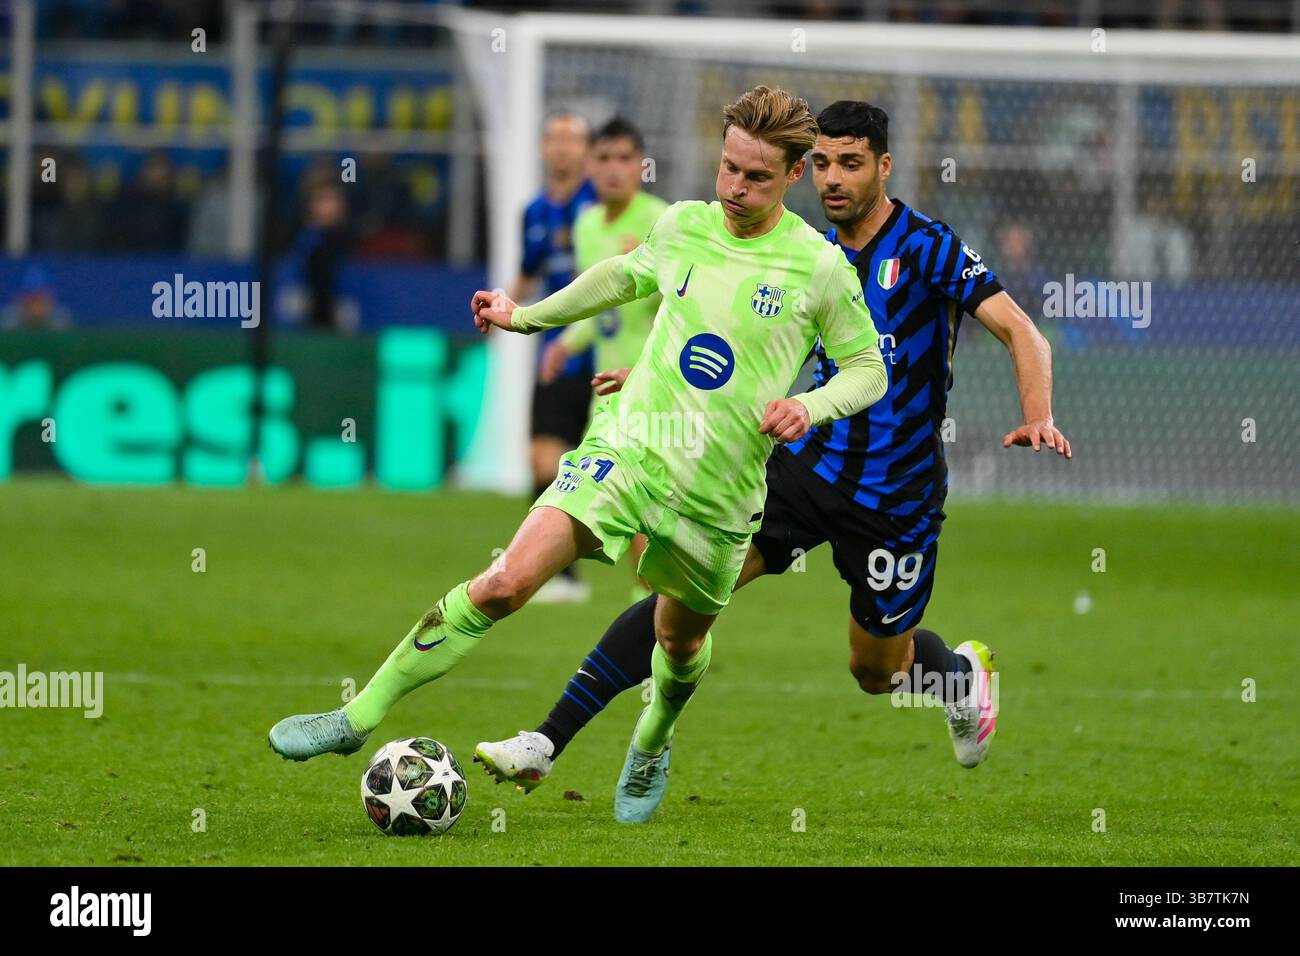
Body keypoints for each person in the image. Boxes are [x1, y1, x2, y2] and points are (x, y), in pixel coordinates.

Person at [266, 90, 889, 823]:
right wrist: (525, 317)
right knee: (503, 583)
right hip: (631, 450)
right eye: (726, 168)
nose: (732, 188)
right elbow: (624, 277)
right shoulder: (685, 224)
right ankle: (357, 717)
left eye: (754, 177)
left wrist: (806, 407)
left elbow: (867, 370)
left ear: (792, 174)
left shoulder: (817, 267)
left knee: (678, 642)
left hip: (721, 492)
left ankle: (653, 735)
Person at [475, 100, 1071, 823]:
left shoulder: (927, 248)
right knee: (681, 601)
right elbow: (753, 349)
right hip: (802, 465)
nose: (833, 178)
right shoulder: (802, 252)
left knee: (874, 670)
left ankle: (959, 680)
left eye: (851, 163)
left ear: (883, 166)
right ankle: (547, 738)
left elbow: (1021, 330)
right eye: (822, 163)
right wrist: (655, 377)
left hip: (896, 495)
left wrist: (1037, 414)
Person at [539, 116, 668, 599]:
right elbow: (596, 304)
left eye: (624, 159)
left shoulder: (664, 221)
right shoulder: (587, 225)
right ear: (590, 166)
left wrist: (655, 271)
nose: (614, 169)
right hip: (607, 396)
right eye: (604, 158)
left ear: (641, 166)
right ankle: (651, 631)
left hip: (657, 392)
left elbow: (690, 302)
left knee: (642, 525)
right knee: (621, 518)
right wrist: (565, 343)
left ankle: (654, 635)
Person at [512, 111, 599, 604]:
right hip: (558, 356)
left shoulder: (601, 206)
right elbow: (528, 272)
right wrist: (503, 309)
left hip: (606, 357)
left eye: (573, 139)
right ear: (545, 149)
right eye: (555, 138)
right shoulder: (535, 212)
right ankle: (557, 575)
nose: (563, 147)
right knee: (543, 458)